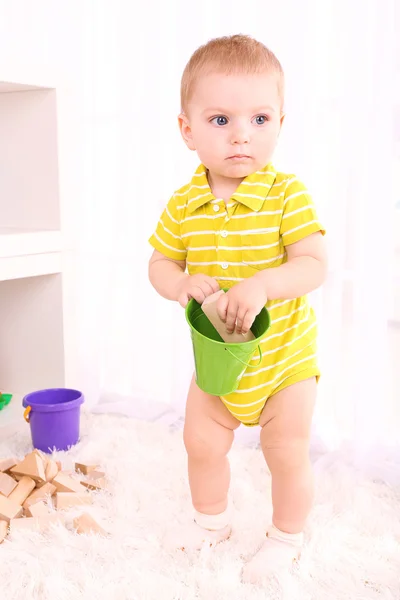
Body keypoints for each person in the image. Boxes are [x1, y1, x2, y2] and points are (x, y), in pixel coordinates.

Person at [148, 34, 327, 583]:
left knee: (285, 449)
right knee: (199, 440)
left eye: (260, 118)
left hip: (282, 364)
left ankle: (285, 537)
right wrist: (179, 283)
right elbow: (157, 265)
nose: (242, 135)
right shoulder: (185, 203)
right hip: (218, 362)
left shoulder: (285, 195)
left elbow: (313, 264)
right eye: (221, 120)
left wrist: (265, 284)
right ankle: (210, 520)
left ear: (279, 123)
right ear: (188, 129)